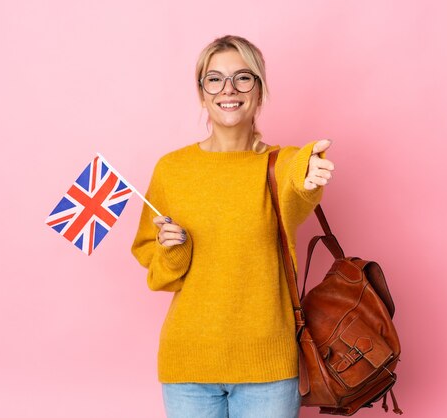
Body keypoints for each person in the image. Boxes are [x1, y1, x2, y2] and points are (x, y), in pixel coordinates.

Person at [131, 34, 334, 418]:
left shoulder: (280, 163)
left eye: (243, 78)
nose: (229, 89)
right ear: (202, 92)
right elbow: (159, 274)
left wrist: (309, 171)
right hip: (188, 365)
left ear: (259, 92)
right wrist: (173, 251)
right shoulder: (172, 170)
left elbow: (297, 182)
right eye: (215, 79)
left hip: (268, 369)